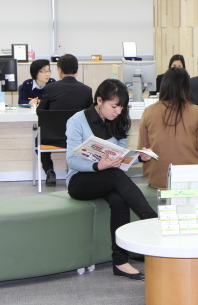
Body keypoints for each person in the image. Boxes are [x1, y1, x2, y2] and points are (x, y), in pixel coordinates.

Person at [66, 79, 158, 281]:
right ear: (99, 100)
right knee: (116, 176)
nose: (118, 111)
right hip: (80, 181)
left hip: (108, 177)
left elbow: (121, 160)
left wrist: (138, 158)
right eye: (114, 106)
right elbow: (71, 161)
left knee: (119, 199)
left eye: (121, 107)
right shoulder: (77, 121)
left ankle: (120, 262)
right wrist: (99, 166)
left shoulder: (119, 121)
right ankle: (152, 220)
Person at [138, 67, 198, 188]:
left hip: (158, 179)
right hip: (190, 178)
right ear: (187, 87)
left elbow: (142, 149)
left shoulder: (149, 111)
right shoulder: (196, 111)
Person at [37, 54, 93, 186]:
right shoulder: (86, 90)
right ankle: (80, 170)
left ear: (60, 70)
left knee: (37, 138)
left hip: (52, 138)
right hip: (79, 140)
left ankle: (50, 171)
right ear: (77, 70)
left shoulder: (50, 88)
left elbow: (40, 112)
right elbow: (91, 115)